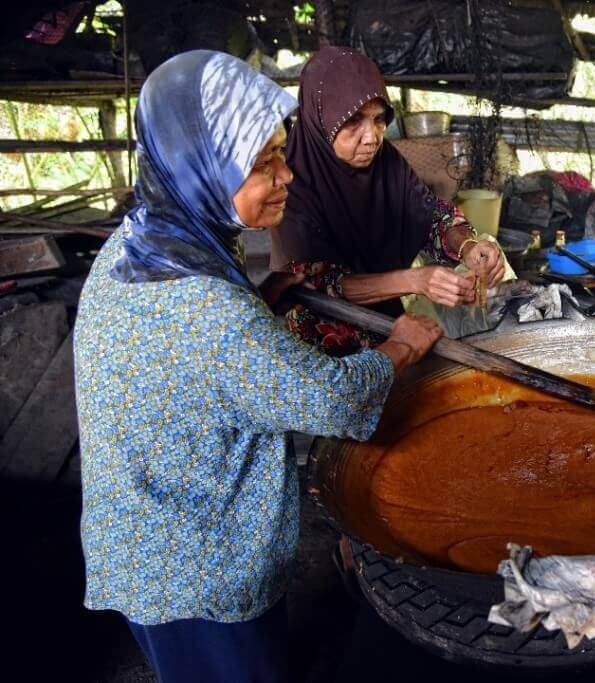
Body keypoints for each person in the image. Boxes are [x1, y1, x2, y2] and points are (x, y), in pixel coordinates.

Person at [74, 50, 441, 682]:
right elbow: (332, 401)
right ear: (201, 169)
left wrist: (262, 295)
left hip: (139, 524)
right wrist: (401, 347)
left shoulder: (140, 241)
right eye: (260, 164)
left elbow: (195, 359)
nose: (285, 176)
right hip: (191, 569)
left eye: (281, 153)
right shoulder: (209, 312)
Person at [270, 47, 505, 355]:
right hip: (324, 344)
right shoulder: (287, 183)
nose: (371, 137)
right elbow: (320, 283)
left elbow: (432, 216)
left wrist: (469, 247)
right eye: (353, 121)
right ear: (320, 118)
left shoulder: (386, 163)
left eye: (379, 119)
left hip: (392, 324)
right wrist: (414, 280)